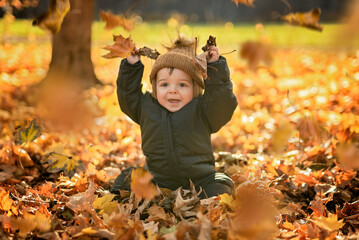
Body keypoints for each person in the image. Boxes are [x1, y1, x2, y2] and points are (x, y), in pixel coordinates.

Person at [110, 34, 238, 199]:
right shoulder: (146, 107)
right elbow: (127, 95)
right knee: (127, 177)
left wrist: (216, 68)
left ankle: (211, 200)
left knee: (220, 185)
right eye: (164, 84)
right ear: (155, 87)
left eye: (182, 85)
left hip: (200, 178)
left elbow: (222, 103)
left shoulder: (202, 109)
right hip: (157, 179)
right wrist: (131, 66)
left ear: (195, 88)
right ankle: (118, 200)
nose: (172, 90)